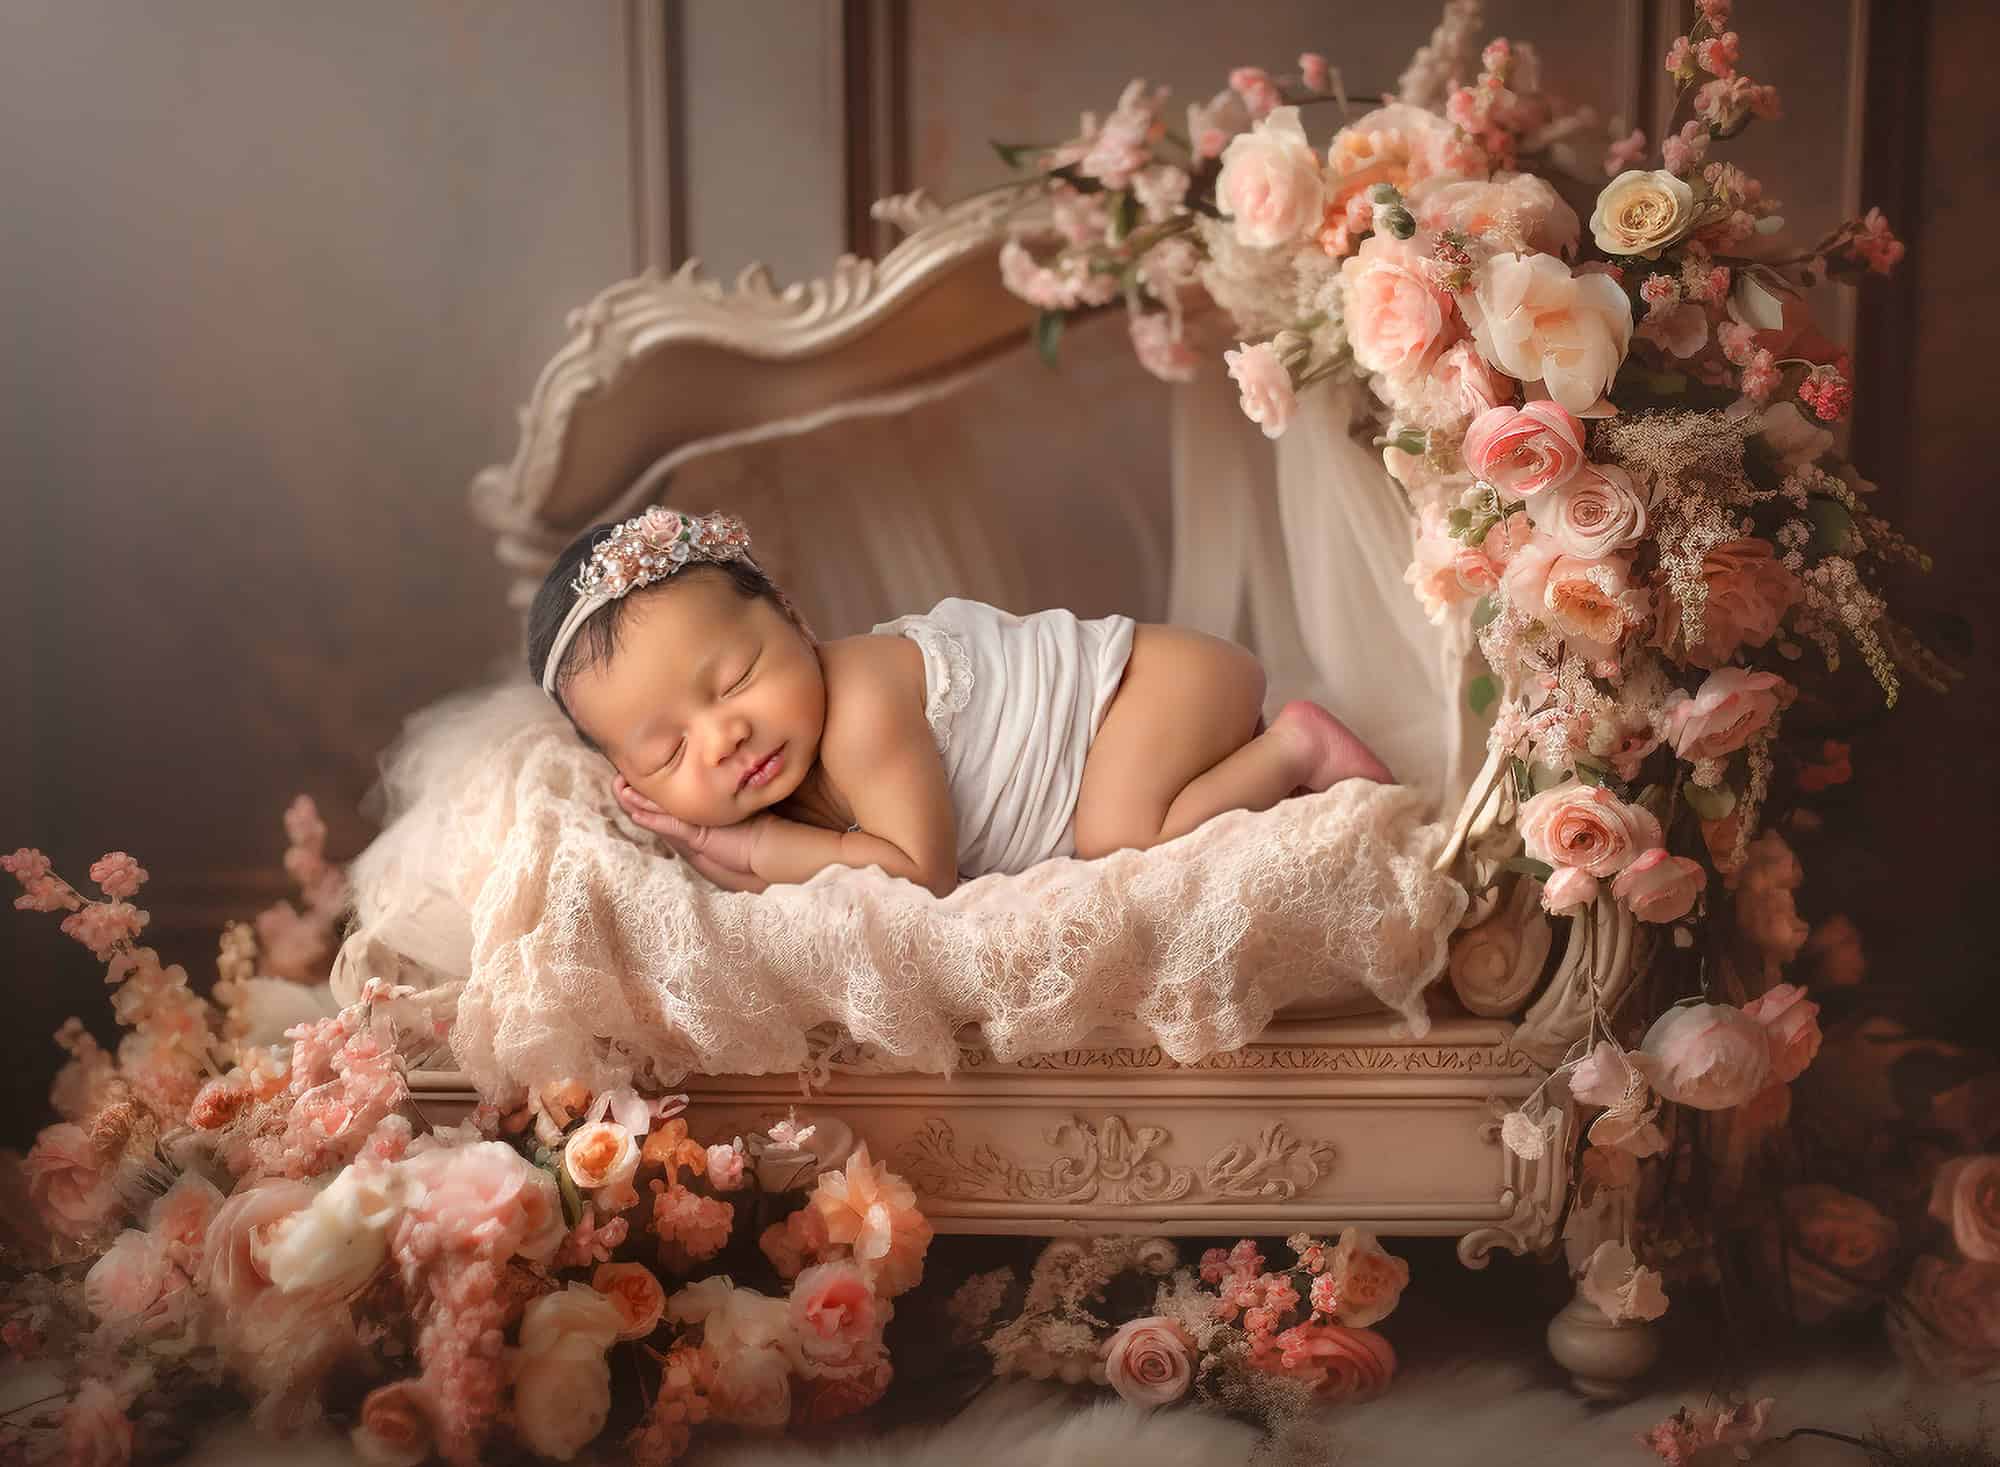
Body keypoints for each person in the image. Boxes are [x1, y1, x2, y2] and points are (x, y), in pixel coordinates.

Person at [528, 507, 1392, 897]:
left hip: (1156, 688)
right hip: (1149, 724)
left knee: (1120, 841)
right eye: (668, 753)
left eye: (736, 679)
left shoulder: (862, 704)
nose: (724, 736)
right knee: (1116, 827)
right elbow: (814, 868)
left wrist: (752, 844)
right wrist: (727, 848)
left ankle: (1295, 748)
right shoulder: (771, 778)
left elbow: (915, 872)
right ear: (626, 777)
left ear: (793, 617)